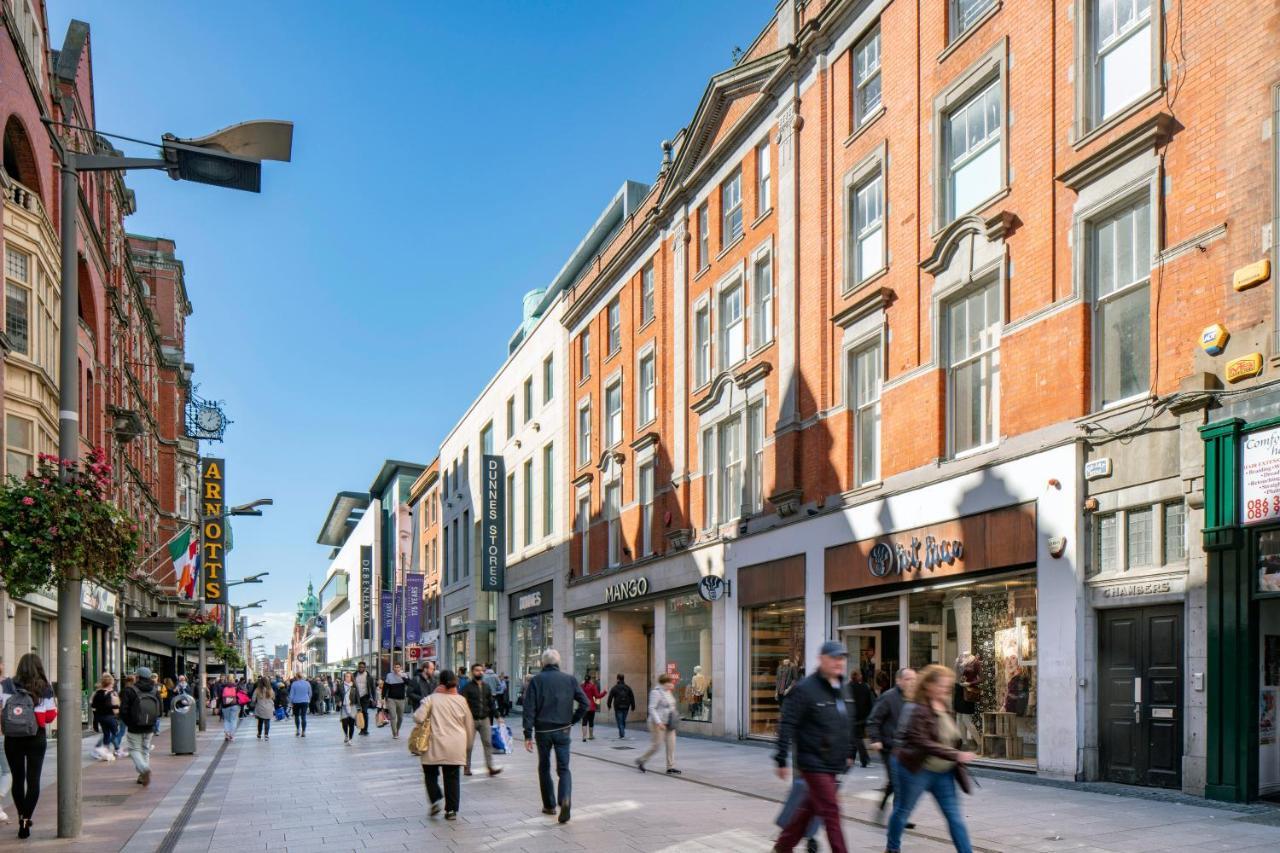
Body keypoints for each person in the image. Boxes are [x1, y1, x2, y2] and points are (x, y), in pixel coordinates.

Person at [772, 641, 857, 853]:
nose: (839, 662)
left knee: (808, 810)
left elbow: (846, 723)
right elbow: (787, 723)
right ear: (821, 659)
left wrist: (848, 752)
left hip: (833, 762)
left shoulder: (843, 688)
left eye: (842, 658)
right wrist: (781, 758)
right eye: (834, 658)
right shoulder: (805, 688)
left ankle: (782, 847)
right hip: (813, 761)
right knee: (831, 811)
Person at [886, 664, 975, 853]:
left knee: (955, 817)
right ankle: (892, 848)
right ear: (928, 685)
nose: (945, 689)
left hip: (943, 772)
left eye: (948, 686)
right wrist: (955, 754)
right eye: (942, 685)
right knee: (903, 811)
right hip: (917, 769)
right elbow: (922, 742)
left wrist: (955, 753)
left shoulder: (944, 706)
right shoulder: (917, 708)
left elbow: (949, 737)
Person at [521, 649, 588, 824]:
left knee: (544, 767)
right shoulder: (569, 679)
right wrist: (572, 720)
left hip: (542, 731)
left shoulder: (536, 681)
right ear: (558, 662)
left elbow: (529, 709)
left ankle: (549, 805)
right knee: (564, 768)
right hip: (563, 729)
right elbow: (585, 703)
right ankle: (565, 798)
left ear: (543, 663)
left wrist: (527, 734)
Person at [0, 653, 56, 839]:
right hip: (36, 737)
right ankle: (25, 821)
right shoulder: (45, 688)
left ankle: (20, 816)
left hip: (12, 738)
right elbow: (48, 717)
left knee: (17, 779)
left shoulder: (6, 685)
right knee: (33, 781)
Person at [414, 669, 472, 820]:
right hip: (456, 745)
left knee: (430, 773)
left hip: (434, 743)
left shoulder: (431, 699)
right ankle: (451, 811)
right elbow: (469, 725)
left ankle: (435, 799)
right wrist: (468, 745)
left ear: (439, 682)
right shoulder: (461, 700)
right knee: (452, 777)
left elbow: (418, 717)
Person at [867, 668, 917, 821]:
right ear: (898, 680)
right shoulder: (888, 697)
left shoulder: (913, 698)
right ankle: (899, 818)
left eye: (914, 679)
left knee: (896, 781)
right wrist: (875, 739)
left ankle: (884, 807)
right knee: (898, 782)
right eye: (908, 679)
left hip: (906, 748)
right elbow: (873, 720)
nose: (912, 682)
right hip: (889, 747)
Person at [120, 665, 162, 787]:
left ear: (137, 677)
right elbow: (160, 710)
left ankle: (144, 769)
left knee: (134, 750)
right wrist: (153, 722)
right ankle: (142, 776)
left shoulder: (130, 690)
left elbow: (124, 710)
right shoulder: (155, 690)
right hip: (150, 726)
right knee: (145, 750)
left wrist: (129, 723)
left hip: (134, 726)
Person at [635, 673, 680, 775]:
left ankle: (670, 767)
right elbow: (652, 708)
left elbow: (671, 706)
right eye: (670, 682)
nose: (672, 684)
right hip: (657, 723)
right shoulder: (656, 692)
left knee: (671, 744)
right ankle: (642, 760)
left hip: (669, 722)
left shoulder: (668, 691)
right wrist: (659, 722)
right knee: (657, 745)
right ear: (664, 683)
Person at [461, 663, 502, 776]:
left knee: (488, 743)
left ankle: (490, 767)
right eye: (477, 670)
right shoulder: (467, 687)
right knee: (469, 745)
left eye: (481, 670)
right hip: (471, 720)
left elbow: (491, 703)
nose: (480, 672)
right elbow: (462, 704)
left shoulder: (486, 686)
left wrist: (498, 716)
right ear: (472, 672)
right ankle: (466, 767)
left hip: (485, 719)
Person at [90, 674, 120, 761]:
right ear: (110, 683)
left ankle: (105, 751)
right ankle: (101, 748)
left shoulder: (97, 693)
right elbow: (111, 706)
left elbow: (93, 705)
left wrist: (95, 719)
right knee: (115, 733)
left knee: (106, 734)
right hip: (109, 717)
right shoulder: (110, 693)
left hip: (100, 717)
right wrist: (116, 707)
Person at [849, 670, 873, 768]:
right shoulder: (865, 687)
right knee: (856, 737)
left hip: (852, 717)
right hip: (863, 717)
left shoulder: (849, 687)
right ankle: (853, 758)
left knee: (857, 738)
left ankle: (864, 759)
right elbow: (870, 702)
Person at [606, 673, 636, 739]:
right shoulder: (628, 687)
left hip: (618, 706)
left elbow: (610, 697)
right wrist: (633, 706)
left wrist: (609, 705)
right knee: (623, 720)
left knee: (619, 720)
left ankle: (622, 734)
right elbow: (632, 697)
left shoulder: (615, 688)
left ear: (617, 679)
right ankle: (622, 732)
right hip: (626, 706)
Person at [384, 662, 408, 739]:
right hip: (391, 699)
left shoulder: (404, 675)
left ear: (400, 668)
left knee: (400, 717)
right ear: (393, 668)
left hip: (401, 699)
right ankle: (394, 733)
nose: (396, 669)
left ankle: (397, 730)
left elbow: (409, 683)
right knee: (393, 716)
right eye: (395, 667)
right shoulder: (389, 675)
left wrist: (402, 676)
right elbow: (385, 687)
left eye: (398, 667)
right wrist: (382, 698)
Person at [213, 674, 240, 741]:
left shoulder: (222, 686)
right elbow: (239, 696)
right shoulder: (236, 686)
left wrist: (217, 707)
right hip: (234, 705)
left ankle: (227, 734)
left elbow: (219, 698)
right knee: (233, 720)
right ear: (233, 679)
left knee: (226, 720)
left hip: (225, 706)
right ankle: (232, 735)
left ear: (226, 679)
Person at [580, 674, 604, 742]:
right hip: (591, 707)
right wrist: (604, 692)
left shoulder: (581, 686)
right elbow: (597, 696)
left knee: (584, 722)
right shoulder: (592, 686)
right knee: (591, 722)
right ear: (590, 679)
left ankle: (584, 737)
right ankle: (590, 736)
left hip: (584, 707)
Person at [353, 661, 375, 735]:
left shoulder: (369, 677)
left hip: (365, 696)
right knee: (358, 713)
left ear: (365, 668)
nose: (361, 668)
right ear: (358, 667)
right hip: (356, 697)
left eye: (362, 667)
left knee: (364, 712)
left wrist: (374, 698)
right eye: (359, 667)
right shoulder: (354, 675)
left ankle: (364, 730)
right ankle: (361, 727)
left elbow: (373, 688)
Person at [336, 672, 358, 744]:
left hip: (352, 706)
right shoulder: (341, 685)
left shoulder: (354, 686)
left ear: (351, 677)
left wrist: (359, 707)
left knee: (351, 723)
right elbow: (337, 694)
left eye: (348, 676)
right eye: (346, 676)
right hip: (344, 706)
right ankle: (346, 735)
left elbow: (358, 696)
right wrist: (338, 700)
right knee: (344, 722)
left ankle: (350, 739)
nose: (347, 678)